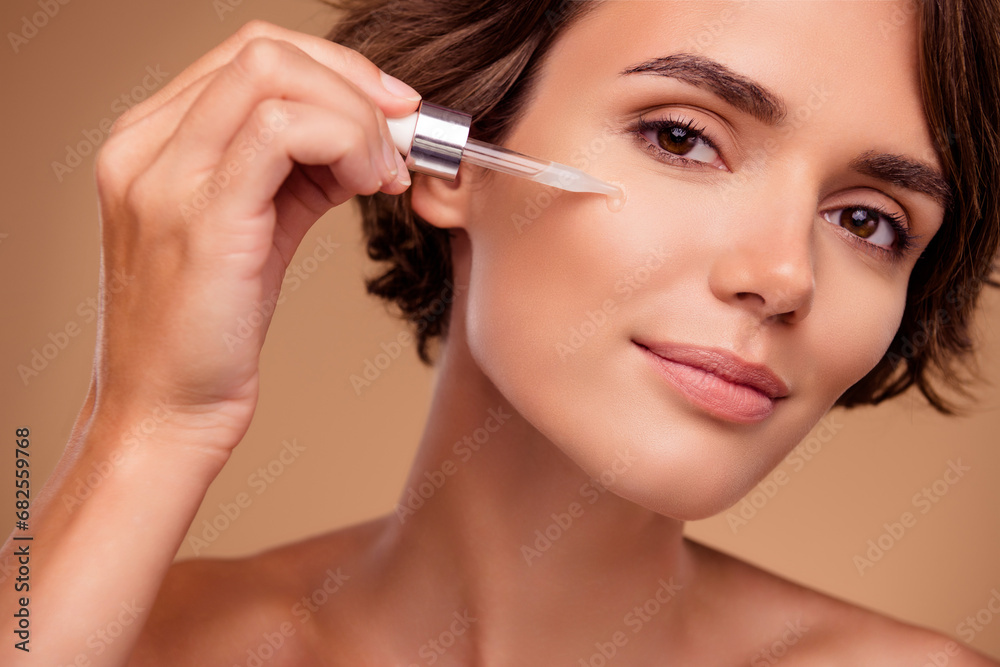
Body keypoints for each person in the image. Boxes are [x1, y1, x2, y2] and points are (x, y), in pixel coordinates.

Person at [3, 0, 999, 664]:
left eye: (867, 220)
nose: (784, 277)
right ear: (454, 156)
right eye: (683, 137)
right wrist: (149, 426)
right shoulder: (139, 640)